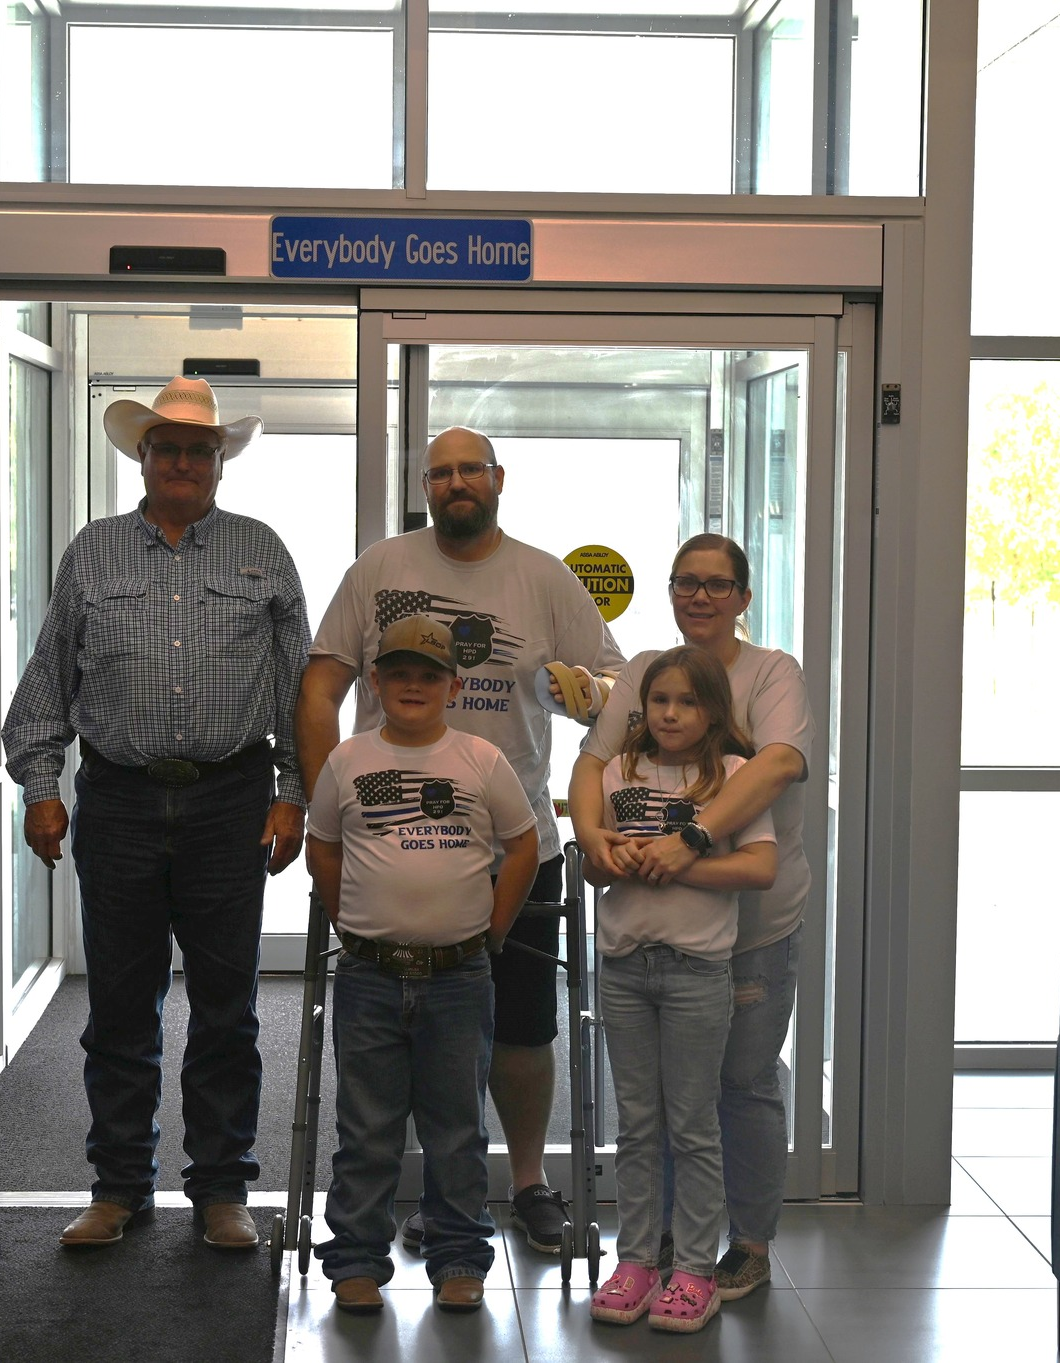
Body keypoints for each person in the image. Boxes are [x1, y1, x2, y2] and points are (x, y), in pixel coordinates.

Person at [297, 427, 623, 1255]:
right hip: (390, 846)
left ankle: (526, 1181)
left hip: (519, 848)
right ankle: (433, 1197)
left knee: (521, 1030)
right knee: (398, 1036)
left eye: (467, 469)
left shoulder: (543, 577)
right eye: (438, 473)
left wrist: (591, 693)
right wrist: (322, 798)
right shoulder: (381, 568)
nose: (454, 483)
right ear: (426, 486)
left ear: (498, 478)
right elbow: (322, 682)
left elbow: (615, 691)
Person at [2, 377, 309, 1251]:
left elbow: (297, 690)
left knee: (227, 1008)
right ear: (142, 457)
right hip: (120, 800)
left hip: (230, 801)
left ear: (220, 461)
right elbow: (48, 677)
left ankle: (221, 1190)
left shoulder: (261, 550)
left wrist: (292, 793)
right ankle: (118, 1185)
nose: (183, 460)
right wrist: (42, 785)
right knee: (121, 1007)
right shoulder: (92, 554)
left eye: (199, 448)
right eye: (167, 446)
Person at [569, 533, 812, 1301]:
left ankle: (746, 1242)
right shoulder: (645, 671)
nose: (699, 596)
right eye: (685, 582)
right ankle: (665, 1240)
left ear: (743, 595)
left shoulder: (774, 673)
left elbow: (777, 764)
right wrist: (593, 838)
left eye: (716, 584)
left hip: (753, 928)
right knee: (659, 1101)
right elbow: (590, 763)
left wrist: (689, 842)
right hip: (647, 934)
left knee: (738, 1085)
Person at [305, 615, 540, 1315]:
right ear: (374, 682)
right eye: (398, 672)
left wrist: (492, 928)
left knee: (457, 1128)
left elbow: (522, 845)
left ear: (453, 684)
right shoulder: (348, 760)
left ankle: (460, 1255)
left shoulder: (479, 759)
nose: (413, 684)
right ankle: (354, 1257)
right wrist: (350, 918)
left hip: (459, 979)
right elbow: (323, 847)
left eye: (429, 674)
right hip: (370, 977)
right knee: (367, 1126)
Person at [582, 647, 777, 1333]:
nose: (670, 712)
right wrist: (612, 857)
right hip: (627, 968)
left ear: (713, 711)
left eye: (687, 701)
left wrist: (679, 864)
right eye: (659, 700)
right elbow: (596, 869)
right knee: (637, 1124)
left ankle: (695, 1269)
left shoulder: (735, 775)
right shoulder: (615, 770)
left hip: (697, 971)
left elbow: (759, 867)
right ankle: (636, 1258)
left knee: (692, 1125)